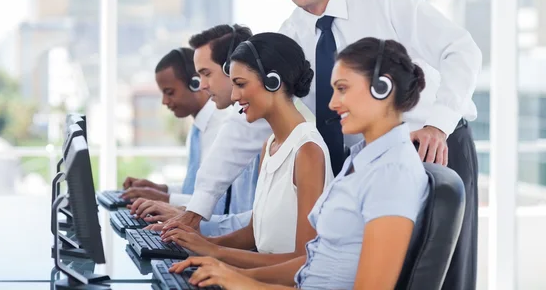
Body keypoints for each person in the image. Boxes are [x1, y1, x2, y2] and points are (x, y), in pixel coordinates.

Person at [166, 0, 481, 290]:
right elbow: (242, 128)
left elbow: (461, 50)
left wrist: (438, 124)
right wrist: (198, 208)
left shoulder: (385, 0)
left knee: (443, 277)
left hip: (436, 148)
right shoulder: (292, 36)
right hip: (365, 166)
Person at [169, 38, 431, 290]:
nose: (331, 103)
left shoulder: (392, 173)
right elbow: (310, 264)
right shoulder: (362, 161)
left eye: (342, 89)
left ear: (382, 88)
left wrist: (245, 283)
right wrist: (231, 274)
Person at [161, 32, 333, 269]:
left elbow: (304, 261)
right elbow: (254, 234)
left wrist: (216, 254)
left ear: (273, 81)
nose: (234, 96)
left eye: (240, 84)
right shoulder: (270, 145)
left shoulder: (308, 151)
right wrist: (201, 244)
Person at [130, 25, 262, 236]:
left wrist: (181, 214)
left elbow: (248, 222)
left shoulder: (248, 125)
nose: (202, 85)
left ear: (233, 69)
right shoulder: (237, 122)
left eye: (206, 74)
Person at [120, 48, 229, 212]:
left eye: (169, 92)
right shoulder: (197, 129)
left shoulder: (222, 128)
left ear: (195, 84)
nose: (164, 101)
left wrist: (163, 199)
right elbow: (195, 190)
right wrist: (159, 189)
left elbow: (216, 203)